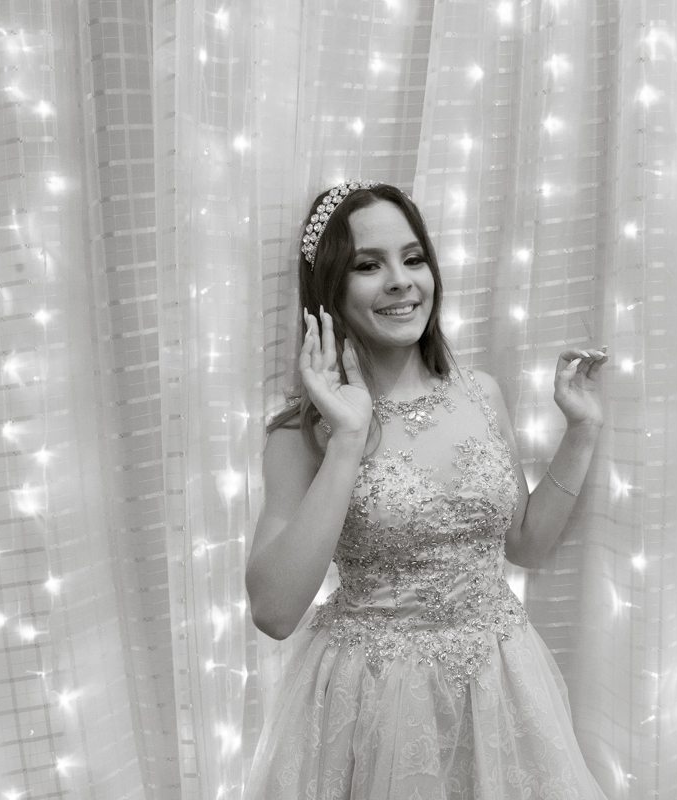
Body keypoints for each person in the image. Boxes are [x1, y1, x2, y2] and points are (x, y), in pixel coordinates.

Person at [243, 180, 610, 799]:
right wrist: (347, 438)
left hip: (499, 684)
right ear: (329, 289)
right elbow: (274, 613)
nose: (400, 281)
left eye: (412, 258)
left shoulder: (480, 392)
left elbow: (525, 544)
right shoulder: (301, 433)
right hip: (375, 699)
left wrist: (581, 431)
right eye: (368, 265)